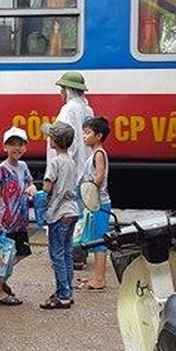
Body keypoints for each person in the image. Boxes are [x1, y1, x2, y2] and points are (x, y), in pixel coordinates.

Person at [50, 71, 94, 270]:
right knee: (82, 214)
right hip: (86, 168)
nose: (60, 93)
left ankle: (71, 255)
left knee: (66, 213)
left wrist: (60, 165)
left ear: (67, 90)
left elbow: (69, 141)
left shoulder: (68, 109)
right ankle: (80, 254)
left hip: (72, 168)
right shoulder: (88, 109)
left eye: (62, 89)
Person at [0, 126, 35, 306]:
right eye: (12, 144)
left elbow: (30, 184)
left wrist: (32, 189)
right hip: (6, 220)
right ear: (5, 147)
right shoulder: (1, 169)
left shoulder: (24, 166)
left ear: (25, 147)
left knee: (21, 252)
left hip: (21, 221)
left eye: (20, 144)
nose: (17, 148)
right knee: (4, 255)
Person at [39, 122, 79, 309]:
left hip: (58, 213)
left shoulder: (54, 162)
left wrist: (37, 196)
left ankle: (62, 295)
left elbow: (47, 187)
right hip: (72, 211)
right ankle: (68, 291)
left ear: (54, 141)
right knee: (67, 254)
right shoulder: (71, 160)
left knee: (57, 255)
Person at [77, 116, 112, 291]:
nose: (84, 136)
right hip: (95, 203)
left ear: (98, 136)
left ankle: (100, 279)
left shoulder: (99, 154)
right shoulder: (95, 153)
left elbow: (99, 175)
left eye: (88, 133)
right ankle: (96, 275)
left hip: (99, 203)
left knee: (100, 241)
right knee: (95, 239)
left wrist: (89, 192)